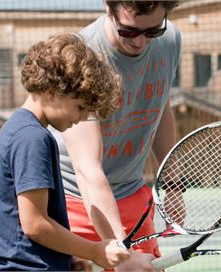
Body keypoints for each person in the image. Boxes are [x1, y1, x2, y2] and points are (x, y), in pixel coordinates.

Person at [0, 33, 130, 271]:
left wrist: (68, 256)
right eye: (79, 107)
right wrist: (93, 251)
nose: (80, 119)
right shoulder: (32, 138)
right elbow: (35, 224)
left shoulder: (21, 130)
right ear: (51, 90)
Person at [51, 1, 183, 271]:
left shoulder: (170, 40)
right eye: (128, 31)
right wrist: (121, 250)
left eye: (152, 32)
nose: (140, 42)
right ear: (107, 7)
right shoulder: (82, 55)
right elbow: (87, 169)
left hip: (132, 196)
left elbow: (159, 105)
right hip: (73, 202)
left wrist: (174, 186)